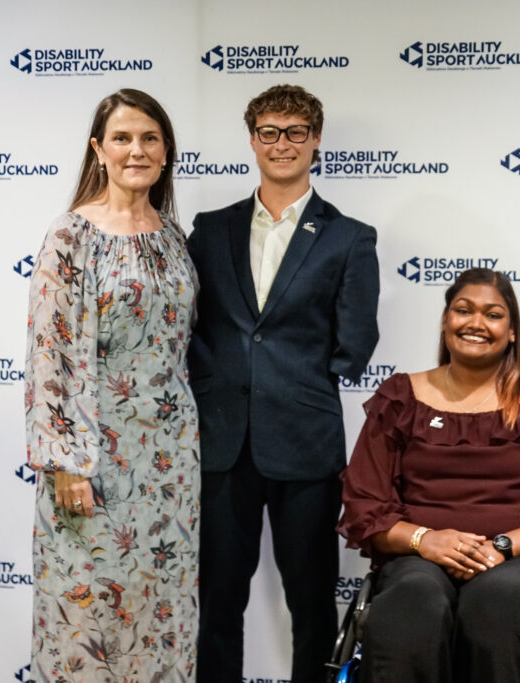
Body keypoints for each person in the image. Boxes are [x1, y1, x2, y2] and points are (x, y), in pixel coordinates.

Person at [338, 267, 520, 683]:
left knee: (498, 599)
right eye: (463, 310)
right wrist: (425, 539)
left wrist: (501, 546)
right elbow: (366, 506)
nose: (475, 323)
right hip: (418, 559)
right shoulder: (399, 397)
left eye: (493, 314)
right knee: (415, 597)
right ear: (446, 320)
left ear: (513, 330)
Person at [188, 84, 380, 683]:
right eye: (269, 132)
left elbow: (357, 343)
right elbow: (187, 323)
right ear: (252, 141)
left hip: (305, 443)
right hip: (222, 443)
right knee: (218, 599)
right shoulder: (210, 228)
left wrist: (296, 379)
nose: (282, 144)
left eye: (296, 132)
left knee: (312, 601)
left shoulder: (350, 237)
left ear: (316, 141)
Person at [24, 88, 199, 681]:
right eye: (122, 138)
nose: (137, 150)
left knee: (162, 606)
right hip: (95, 455)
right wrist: (65, 460)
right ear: (98, 149)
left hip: (171, 461)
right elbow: (50, 356)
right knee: (87, 609)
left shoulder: (174, 236)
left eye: (150, 137)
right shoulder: (71, 235)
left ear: (167, 150)